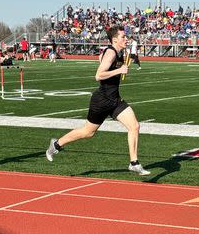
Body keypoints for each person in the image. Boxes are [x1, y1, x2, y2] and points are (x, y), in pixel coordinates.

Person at [45, 25, 150, 175]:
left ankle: (134, 162)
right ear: (115, 40)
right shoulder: (111, 52)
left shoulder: (119, 52)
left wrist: (106, 61)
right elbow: (98, 75)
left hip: (115, 100)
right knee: (88, 132)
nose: (126, 39)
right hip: (101, 100)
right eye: (123, 37)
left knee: (134, 126)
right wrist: (119, 70)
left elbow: (101, 59)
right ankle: (56, 144)